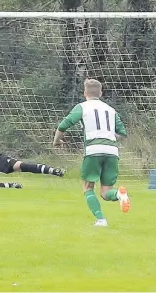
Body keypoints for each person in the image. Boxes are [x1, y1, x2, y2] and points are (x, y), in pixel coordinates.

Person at [53, 79, 130, 227]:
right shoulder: (110, 109)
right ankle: (120, 194)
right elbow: (122, 133)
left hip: (93, 150)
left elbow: (64, 125)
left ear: (85, 93)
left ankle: (101, 220)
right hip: (112, 151)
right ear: (100, 93)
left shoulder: (82, 107)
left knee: (88, 187)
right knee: (105, 192)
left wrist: (57, 141)